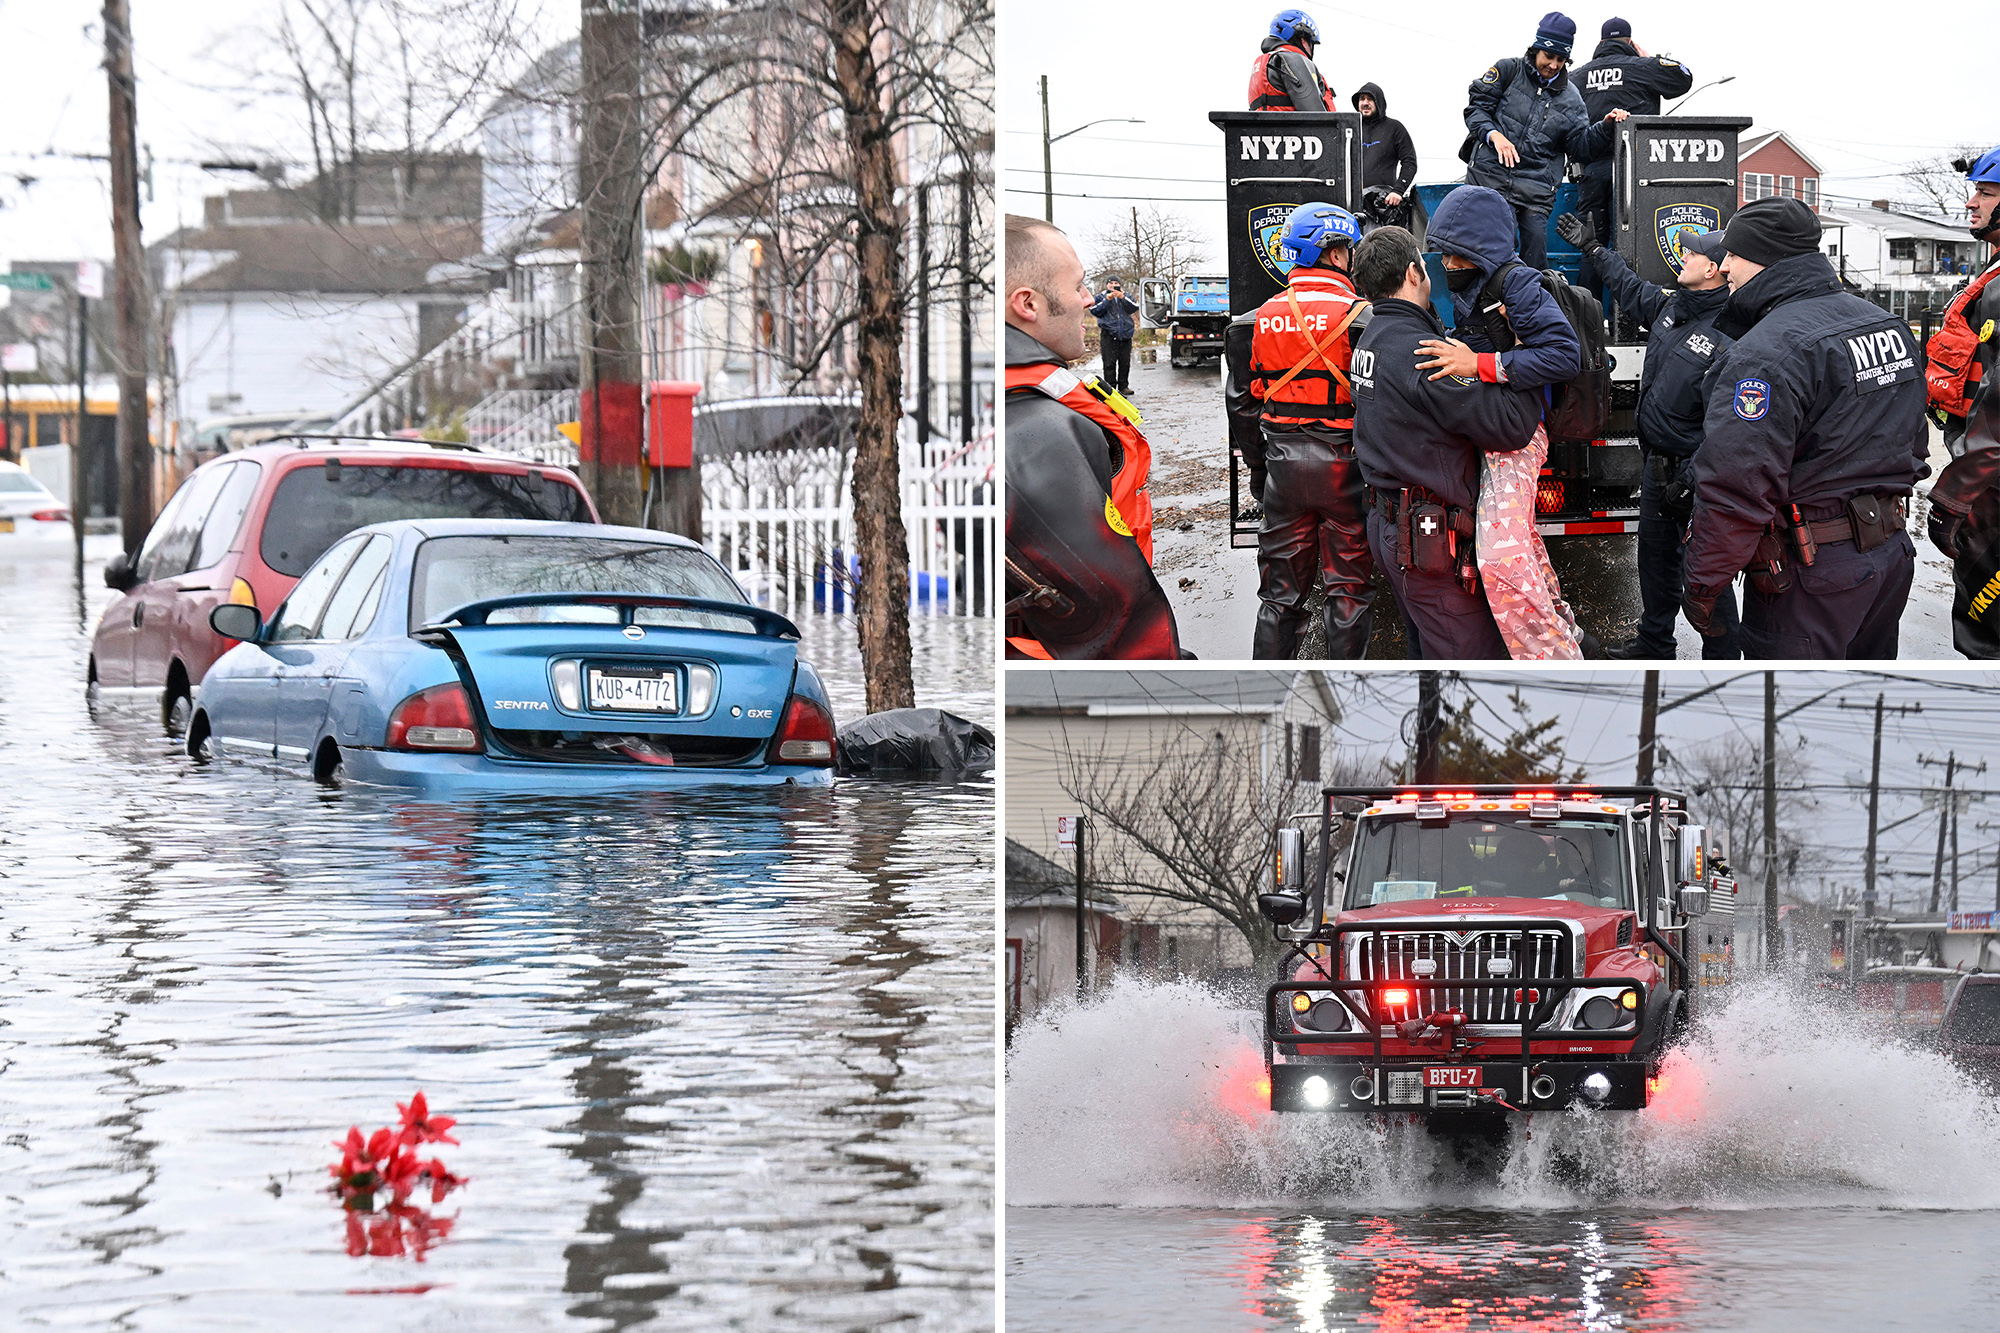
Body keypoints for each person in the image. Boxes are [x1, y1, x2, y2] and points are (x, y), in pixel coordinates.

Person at [1681, 197, 1930, 659]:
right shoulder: (1889, 326)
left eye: (1732, 254)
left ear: (1763, 258)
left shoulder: (1765, 353)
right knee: (1861, 710)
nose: (1725, 266)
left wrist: (1703, 583)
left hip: (1812, 576)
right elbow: (1914, 440)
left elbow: (1737, 486)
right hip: (1889, 559)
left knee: (1788, 720)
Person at [1349, 225, 1546, 659]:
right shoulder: (1424, 353)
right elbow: (1512, 426)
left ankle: (1429, 726)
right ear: (1414, 274)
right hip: (1428, 542)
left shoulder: (1371, 338)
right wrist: (1515, 355)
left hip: (1393, 527)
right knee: (1468, 669)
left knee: (1427, 650)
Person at [1557, 211, 1741, 658]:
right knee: (1654, 566)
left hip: (1696, 479)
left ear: (1712, 268)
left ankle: (1722, 662)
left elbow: (1731, 427)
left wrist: (1693, 478)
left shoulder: (1732, 332)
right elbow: (1628, 286)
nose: (1684, 253)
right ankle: (1654, 644)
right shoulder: (1672, 308)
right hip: (1658, 471)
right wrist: (1593, 248)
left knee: (1705, 577)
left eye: (1693, 250)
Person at [1003, 214, 1183, 658]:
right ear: (1028, 304)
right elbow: (1109, 627)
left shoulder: (1026, 401)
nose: (1088, 298)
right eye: (1079, 285)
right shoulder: (1039, 433)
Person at [1421, 185, 1586, 660]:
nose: (1448, 265)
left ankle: (1556, 672)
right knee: (1524, 545)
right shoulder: (1476, 285)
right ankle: (1567, 638)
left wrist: (1481, 365)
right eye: (1444, 255)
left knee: (1501, 558)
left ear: (1482, 249)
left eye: (1456, 255)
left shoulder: (1517, 284)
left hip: (1519, 434)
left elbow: (1563, 355)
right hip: (1492, 429)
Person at [1246, 202, 1373, 659]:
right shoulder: (1363, 315)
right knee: (1348, 592)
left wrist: (1260, 473)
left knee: (1279, 596)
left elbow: (1242, 403)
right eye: (1349, 249)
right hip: (1345, 470)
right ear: (1336, 254)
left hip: (1282, 466)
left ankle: (1263, 693)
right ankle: (1347, 701)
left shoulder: (1260, 316)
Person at [1462, 12, 1625, 271]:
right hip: (1489, 180)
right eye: (1549, 56)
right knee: (1494, 245)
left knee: (1536, 253)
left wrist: (1605, 127)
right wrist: (1495, 136)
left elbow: (1580, 147)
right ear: (1536, 49)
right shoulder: (1508, 70)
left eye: (1561, 59)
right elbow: (1476, 110)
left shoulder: (1572, 98)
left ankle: (1528, 306)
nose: (1553, 65)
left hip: (1535, 192)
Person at [1923, 145, 2000, 657]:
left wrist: (1954, 499)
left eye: (1986, 193)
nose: (1972, 203)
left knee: (1985, 634)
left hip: (1991, 494)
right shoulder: (1991, 275)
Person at [1570, 19, 1692, 297]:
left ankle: (1586, 316)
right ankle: (1630, 315)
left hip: (1591, 173)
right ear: (1630, 42)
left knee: (1591, 244)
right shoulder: (1643, 67)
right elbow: (1683, 78)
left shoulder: (1577, 76)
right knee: (1636, 243)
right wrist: (1650, 59)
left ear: (1600, 44)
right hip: (1636, 174)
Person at [1223, 309, 1268, 522]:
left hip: (1278, 458)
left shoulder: (1249, 323)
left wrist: (1257, 462)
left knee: (1282, 543)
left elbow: (1241, 404)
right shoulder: (1360, 317)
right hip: (1344, 461)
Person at [1352, 83, 1417, 227]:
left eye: (1370, 99)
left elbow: (1409, 162)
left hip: (1382, 204)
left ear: (1379, 102)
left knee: (1376, 246)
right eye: (1362, 99)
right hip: (1353, 203)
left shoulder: (1394, 128)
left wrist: (1398, 191)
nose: (1365, 103)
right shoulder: (1351, 129)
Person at [1249, 9, 1337, 112]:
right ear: (1303, 40)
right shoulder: (1292, 59)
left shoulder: (1263, 63)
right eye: (1311, 43)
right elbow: (1314, 113)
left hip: (1267, 127)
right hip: (1292, 127)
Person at [1088, 278, 1139, 397]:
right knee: (1109, 362)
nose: (1113, 285)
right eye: (1111, 283)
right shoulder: (1100, 297)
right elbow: (1095, 311)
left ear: (1120, 285)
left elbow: (1134, 307)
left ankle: (1123, 386)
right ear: (1107, 285)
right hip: (1109, 334)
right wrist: (1107, 300)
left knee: (1125, 362)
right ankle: (1110, 388)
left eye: (1116, 283)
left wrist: (1122, 298)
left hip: (1125, 333)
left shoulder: (1126, 296)